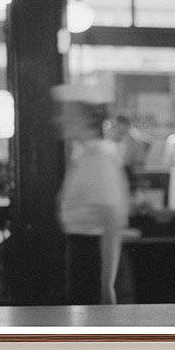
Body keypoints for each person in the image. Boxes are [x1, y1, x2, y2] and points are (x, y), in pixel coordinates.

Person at [54, 86, 130, 304]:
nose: (60, 120)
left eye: (66, 114)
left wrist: (107, 286)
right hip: (83, 256)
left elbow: (111, 222)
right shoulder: (84, 154)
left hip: (95, 259)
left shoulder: (99, 157)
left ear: (84, 119)